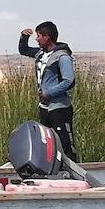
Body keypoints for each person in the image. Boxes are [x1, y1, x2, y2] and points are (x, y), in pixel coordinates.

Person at [17, 21, 78, 161]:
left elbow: (68, 81)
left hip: (59, 108)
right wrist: (23, 37)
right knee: (48, 144)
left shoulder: (62, 56)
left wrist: (48, 93)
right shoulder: (41, 53)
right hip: (44, 108)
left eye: (39, 36)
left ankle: (73, 173)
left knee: (65, 143)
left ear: (47, 37)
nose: (37, 39)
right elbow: (24, 50)